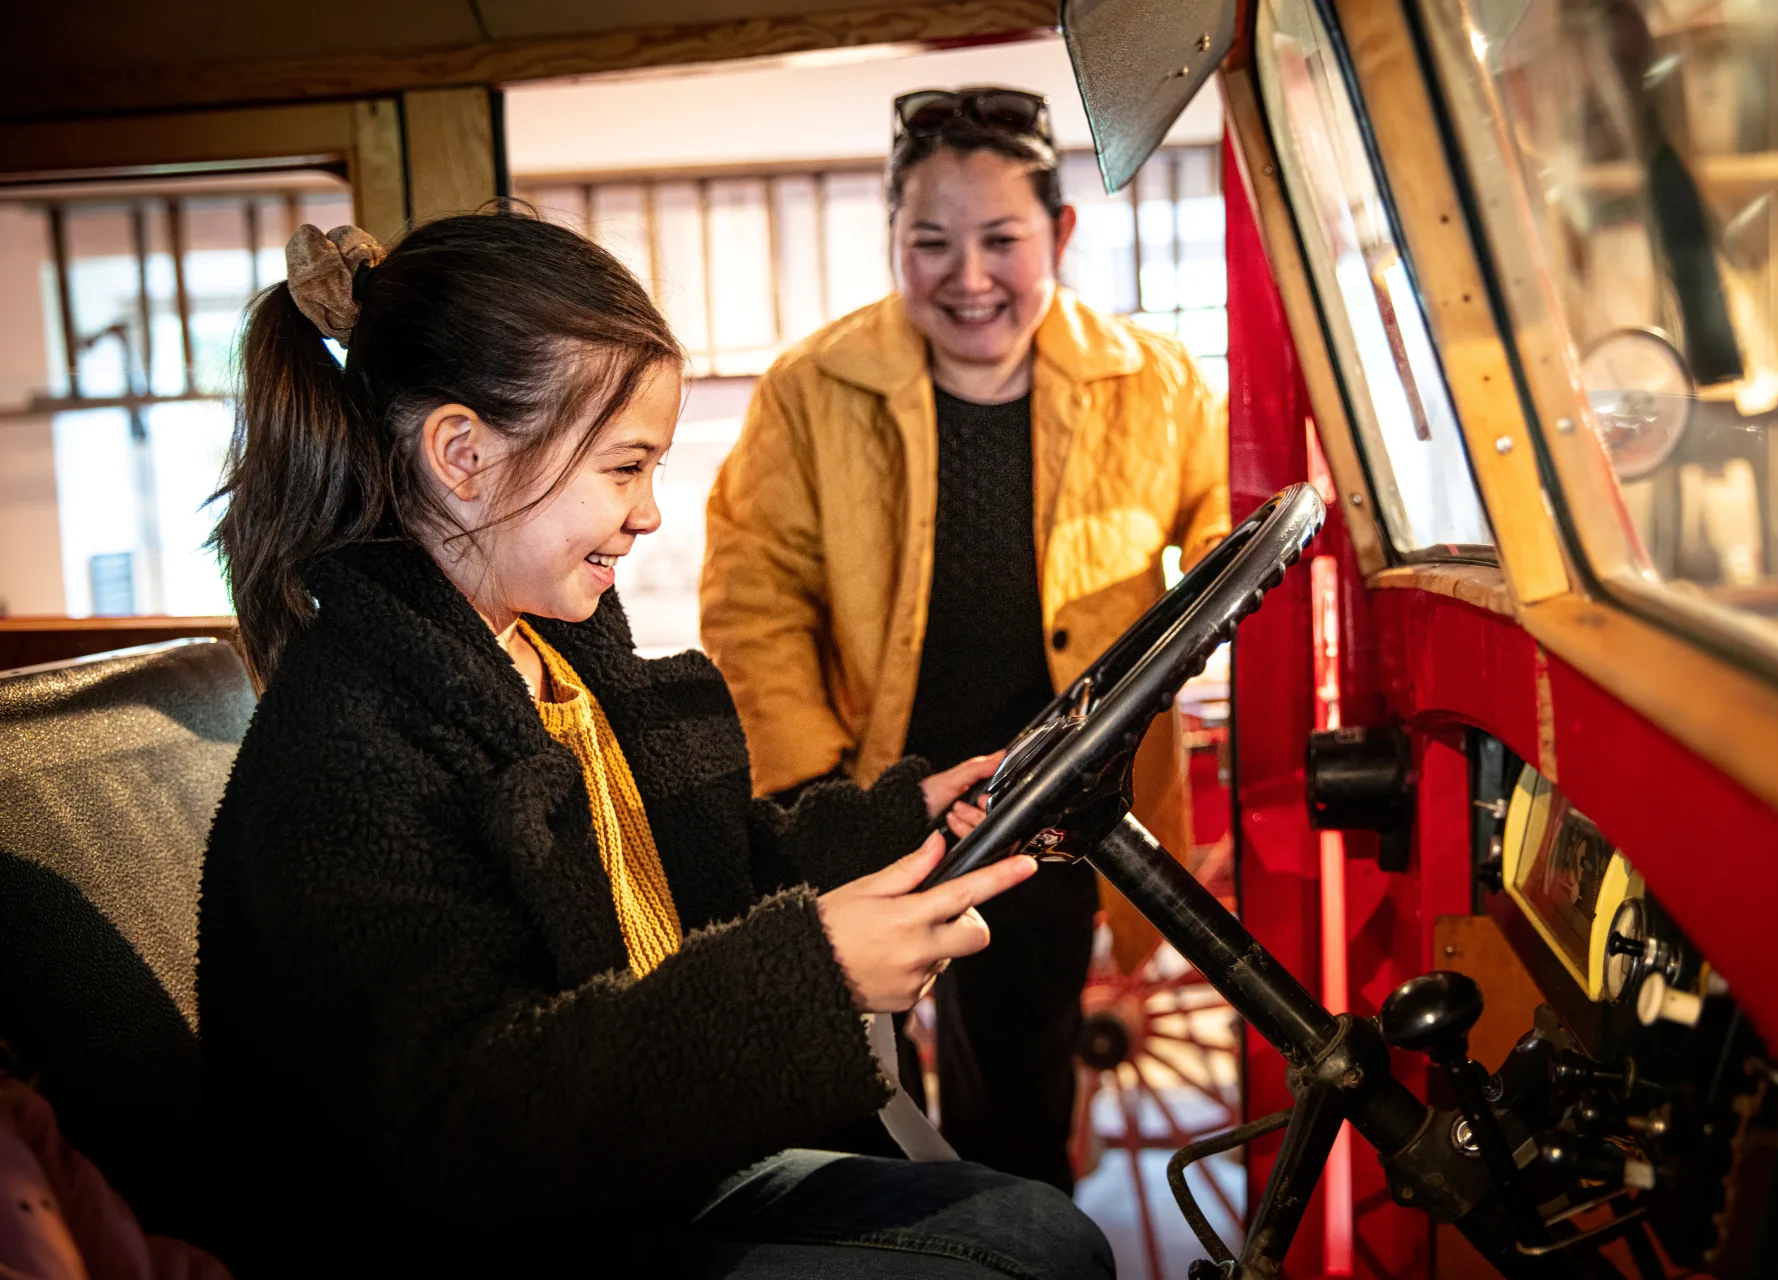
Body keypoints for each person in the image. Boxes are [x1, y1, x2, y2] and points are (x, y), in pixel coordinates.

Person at [196, 209, 1115, 1279]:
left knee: (1035, 1222)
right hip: (494, 1237)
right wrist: (809, 975)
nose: (650, 512)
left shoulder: (558, 661)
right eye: (625, 467)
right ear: (464, 455)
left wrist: (900, 823)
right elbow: (467, 1120)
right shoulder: (351, 744)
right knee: (1034, 1247)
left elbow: (703, 874)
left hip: (637, 1178)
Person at [700, 88, 1229, 1192]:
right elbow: (754, 593)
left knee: (1021, 1082)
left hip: (1060, 795)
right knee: (858, 1083)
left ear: (1062, 235)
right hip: (880, 786)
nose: (970, 277)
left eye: (1002, 240)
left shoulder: (1156, 379)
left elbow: (1225, 527)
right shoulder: (812, 387)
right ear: (891, 238)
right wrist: (812, 789)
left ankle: (1017, 1243)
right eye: (930, 242)